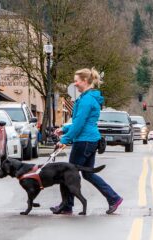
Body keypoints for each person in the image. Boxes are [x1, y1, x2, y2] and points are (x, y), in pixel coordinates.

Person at [52, 68, 123, 215]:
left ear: (84, 81)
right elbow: (81, 122)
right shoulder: (88, 98)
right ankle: (113, 198)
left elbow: (79, 124)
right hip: (89, 140)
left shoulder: (87, 100)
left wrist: (64, 139)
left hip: (84, 141)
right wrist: (64, 130)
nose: (75, 83)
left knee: (67, 173)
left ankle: (67, 206)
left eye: (76, 80)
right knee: (88, 174)